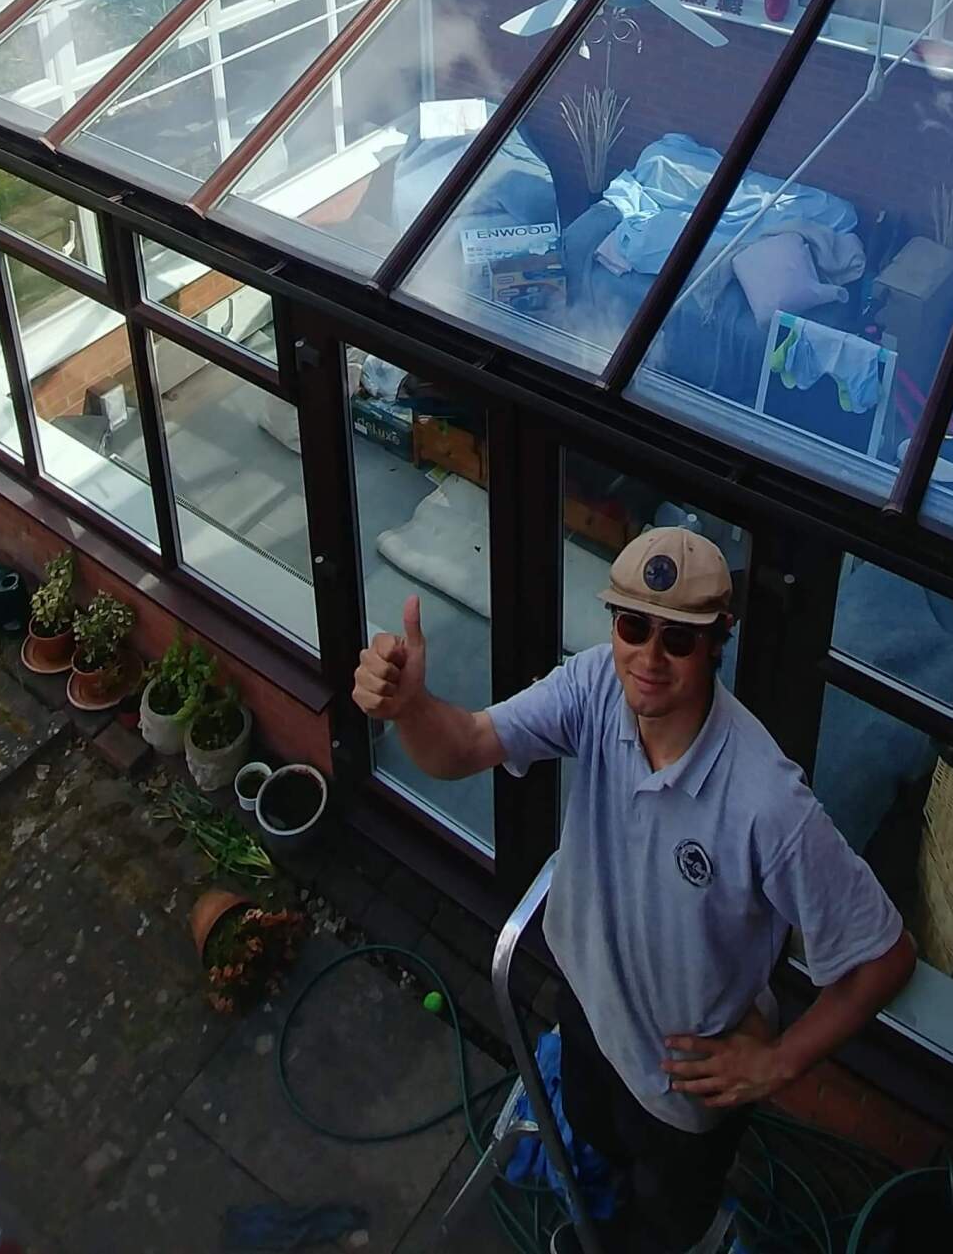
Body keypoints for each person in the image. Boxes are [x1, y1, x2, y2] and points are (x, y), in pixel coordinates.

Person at [353, 525, 916, 1253]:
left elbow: (885, 956)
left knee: (658, 1227)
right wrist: (410, 707)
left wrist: (778, 1061)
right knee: (592, 1144)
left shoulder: (767, 802)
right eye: (633, 625)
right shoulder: (595, 684)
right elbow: (463, 745)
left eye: (678, 638)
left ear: (719, 640)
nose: (648, 657)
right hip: (587, 1009)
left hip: (678, 1083)